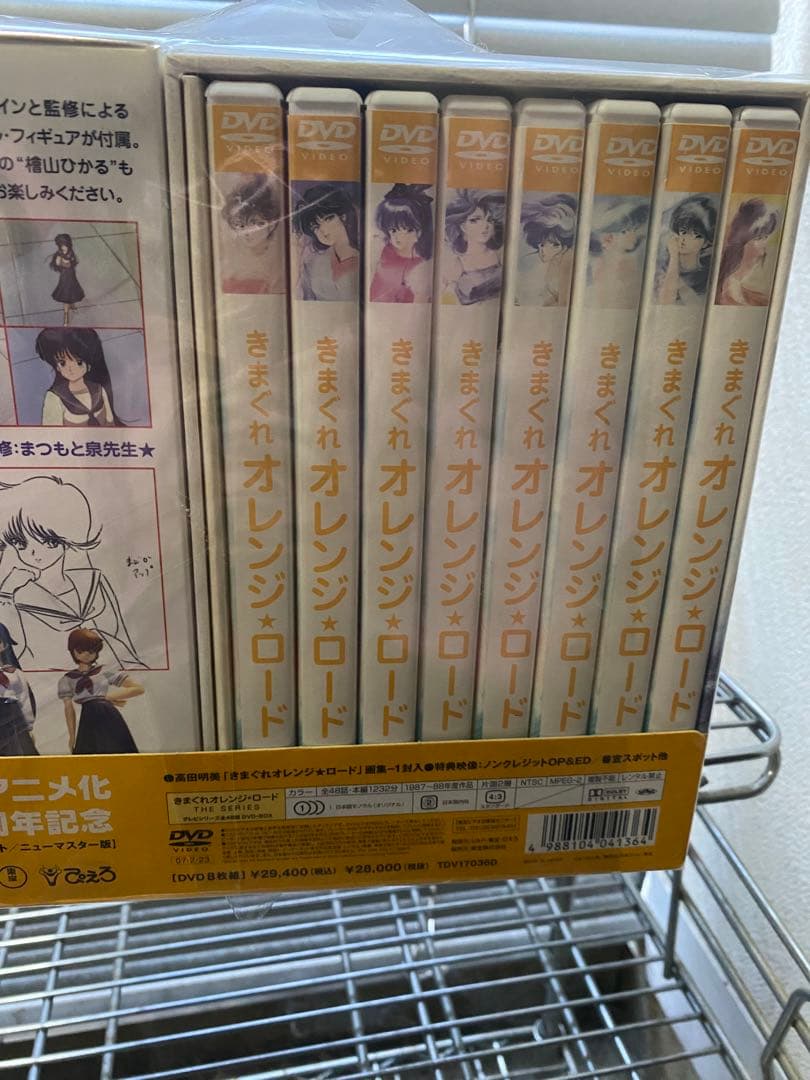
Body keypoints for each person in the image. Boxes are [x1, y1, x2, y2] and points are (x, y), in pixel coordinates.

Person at [0, 475, 145, 670]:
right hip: (45, 682)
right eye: (20, 543)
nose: (33, 552)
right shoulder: (18, 594)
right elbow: (11, 655)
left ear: (67, 537)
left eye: (48, 541)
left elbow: (120, 639)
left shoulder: (93, 580)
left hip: (104, 677)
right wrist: (6, 595)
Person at [58, 627, 143, 754]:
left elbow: (138, 688)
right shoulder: (67, 679)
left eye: (91, 650)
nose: (86, 654)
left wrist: (108, 697)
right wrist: (72, 736)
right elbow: (69, 709)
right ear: (73, 651)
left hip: (109, 716)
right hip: (88, 718)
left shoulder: (104, 671)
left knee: (117, 751)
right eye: (81, 650)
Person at [35, 326, 119, 427]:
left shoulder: (99, 390)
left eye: (79, 362)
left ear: (88, 363)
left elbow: (111, 424)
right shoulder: (54, 397)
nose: (70, 368)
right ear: (57, 367)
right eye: (62, 363)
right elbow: (51, 433)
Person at [219, 174, 284, 294]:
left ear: (271, 225)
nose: (247, 232)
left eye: (255, 224)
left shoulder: (279, 258)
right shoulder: (230, 255)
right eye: (240, 225)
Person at [369, 183, 434, 303]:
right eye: (393, 230)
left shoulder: (422, 266)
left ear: (420, 231)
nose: (399, 237)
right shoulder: (383, 253)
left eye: (408, 230)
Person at [294, 184, 360, 301]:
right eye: (315, 227)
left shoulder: (367, 258)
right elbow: (304, 299)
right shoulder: (313, 263)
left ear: (343, 216)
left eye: (328, 219)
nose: (323, 230)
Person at [441, 190, 505, 305]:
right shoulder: (457, 264)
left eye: (489, 220)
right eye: (475, 220)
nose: (485, 226)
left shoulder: (500, 255)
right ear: (463, 227)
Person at [654, 195, 718, 305]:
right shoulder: (662, 267)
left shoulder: (707, 274)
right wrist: (674, 257)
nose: (684, 239)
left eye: (696, 235)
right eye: (683, 231)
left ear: (706, 242)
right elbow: (664, 302)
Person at [716, 198, 780, 306]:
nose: (763, 250)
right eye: (759, 237)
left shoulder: (759, 299)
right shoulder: (722, 297)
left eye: (765, 237)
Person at [516, 193, 577, 307]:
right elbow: (554, 297)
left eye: (545, 244)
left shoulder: (567, 260)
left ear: (558, 245)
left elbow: (563, 304)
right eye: (540, 245)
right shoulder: (555, 259)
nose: (541, 251)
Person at [587, 198, 649, 308]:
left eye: (635, 229)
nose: (633, 234)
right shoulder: (598, 265)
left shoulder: (629, 264)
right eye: (625, 231)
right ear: (609, 238)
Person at [0, 622, 38, 756]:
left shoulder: (15, 673)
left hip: (15, 718)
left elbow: (24, 698)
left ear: (4, 644)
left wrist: (28, 726)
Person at [49, 233, 84, 326]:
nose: (64, 247)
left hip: (71, 276)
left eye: (65, 245)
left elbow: (74, 261)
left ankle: (72, 305)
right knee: (66, 296)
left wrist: (68, 262)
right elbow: (57, 263)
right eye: (61, 245)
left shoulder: (71, 253)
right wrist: (63, 262)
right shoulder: (59, 254)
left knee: (72, 291)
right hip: (64, 277)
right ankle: (66, 317)